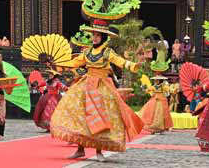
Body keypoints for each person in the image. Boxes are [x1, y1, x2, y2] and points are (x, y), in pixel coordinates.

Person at [50, 14, 144, 163]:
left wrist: (133, 65)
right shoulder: (86, 52)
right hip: (85, 85)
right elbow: (74, 63)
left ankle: (98, 151)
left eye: (97, 35)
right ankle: (80, 149)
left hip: (101, 88)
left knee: (98, 118)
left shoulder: (107, 52)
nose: (94, 38)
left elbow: (119, 61)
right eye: (93, 35)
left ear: (103, 37)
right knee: (80, 116)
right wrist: (57, 64)